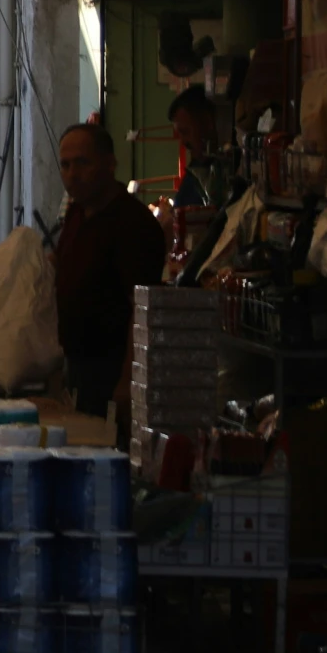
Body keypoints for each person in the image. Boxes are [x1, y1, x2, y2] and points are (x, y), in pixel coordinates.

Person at [54, 123, 167, 418]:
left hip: (111, 370)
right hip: (75, 365)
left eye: (82, 163)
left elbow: (140, 310)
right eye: (65, 165)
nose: (72, 175)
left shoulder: (132, 223)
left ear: (110, 163)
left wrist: (129, 381)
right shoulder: (76, 212)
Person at [167, 87, 230, 208]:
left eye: (185, 132)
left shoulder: (223, 172)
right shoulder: (197, 172)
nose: (183, 142)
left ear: (208, 123)